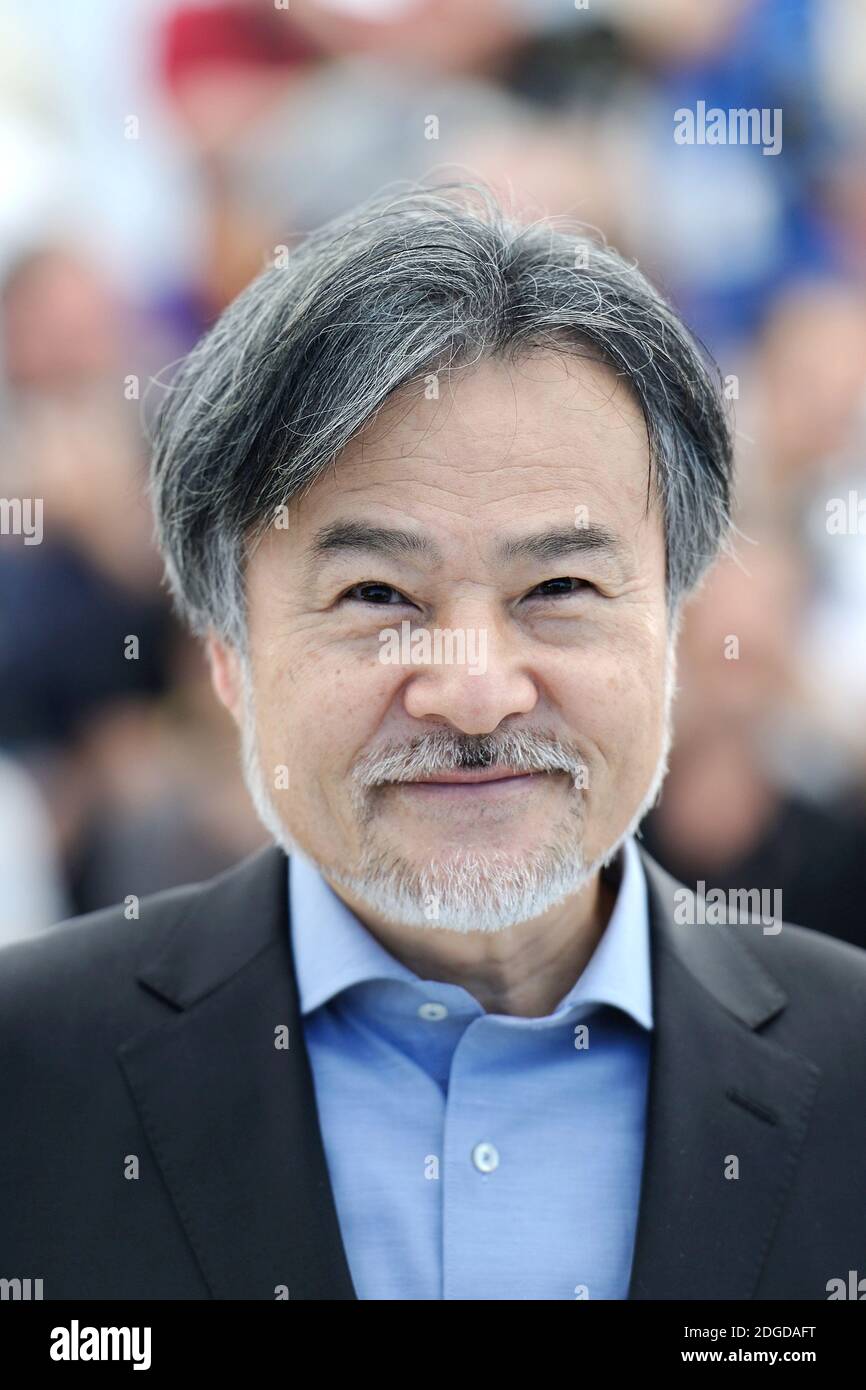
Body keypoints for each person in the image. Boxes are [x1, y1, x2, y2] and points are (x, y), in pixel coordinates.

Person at [1, 184, 864, 1301]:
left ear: (673, 626)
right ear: (225, 651)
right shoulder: (29, 1075)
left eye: (557, 585)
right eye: (375, 592)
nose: (473, 692)